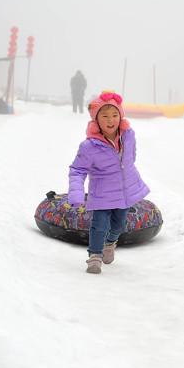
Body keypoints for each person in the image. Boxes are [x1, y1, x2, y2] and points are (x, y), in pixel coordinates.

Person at [68, 91, 150, 274]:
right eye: (104, 116)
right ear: (96, 120)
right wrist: (76, 192)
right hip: (102, 193)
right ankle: (95, 257)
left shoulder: (128, 136)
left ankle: (111, 242)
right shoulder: (89, 146)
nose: (110, 120)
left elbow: (131, 157)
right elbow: (78, 170)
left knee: (119, 225)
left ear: (120, 116)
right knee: (99, 225)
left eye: (114, 115)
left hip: (125, 191)